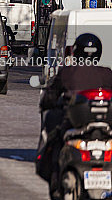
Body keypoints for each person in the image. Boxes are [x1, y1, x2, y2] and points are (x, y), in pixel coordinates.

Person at [36, 33, 112, 197]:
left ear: (76, 52)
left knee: (55, 143)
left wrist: (46, 104)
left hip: (73, 126)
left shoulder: (67, 72)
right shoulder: (107, 73)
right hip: (105, 130)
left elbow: (50, 97)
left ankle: (56, 184)